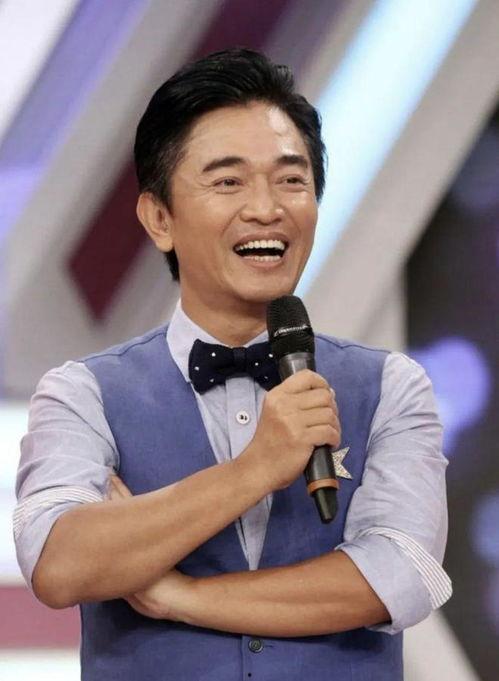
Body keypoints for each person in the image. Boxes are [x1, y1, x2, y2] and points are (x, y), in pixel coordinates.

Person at [14, 49, 451, 680]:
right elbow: (57, 563)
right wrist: (255, 470)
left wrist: (178, 596)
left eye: (291, 180)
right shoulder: (82, 393)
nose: (266, 208)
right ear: (159, 218)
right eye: (228, 182)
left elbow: (400, 573)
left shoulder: (390, 387)